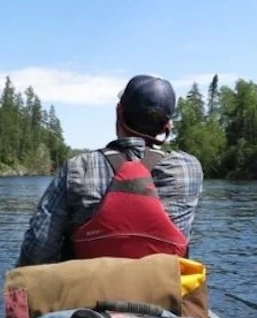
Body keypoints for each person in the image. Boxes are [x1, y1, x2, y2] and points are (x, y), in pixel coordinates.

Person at [15, 74, 203, 268]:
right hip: (162, 294)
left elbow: (38, 250)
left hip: (87, 294)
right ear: (167, 126)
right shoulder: (188, 169)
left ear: (119, 112)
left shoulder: (77, 168)